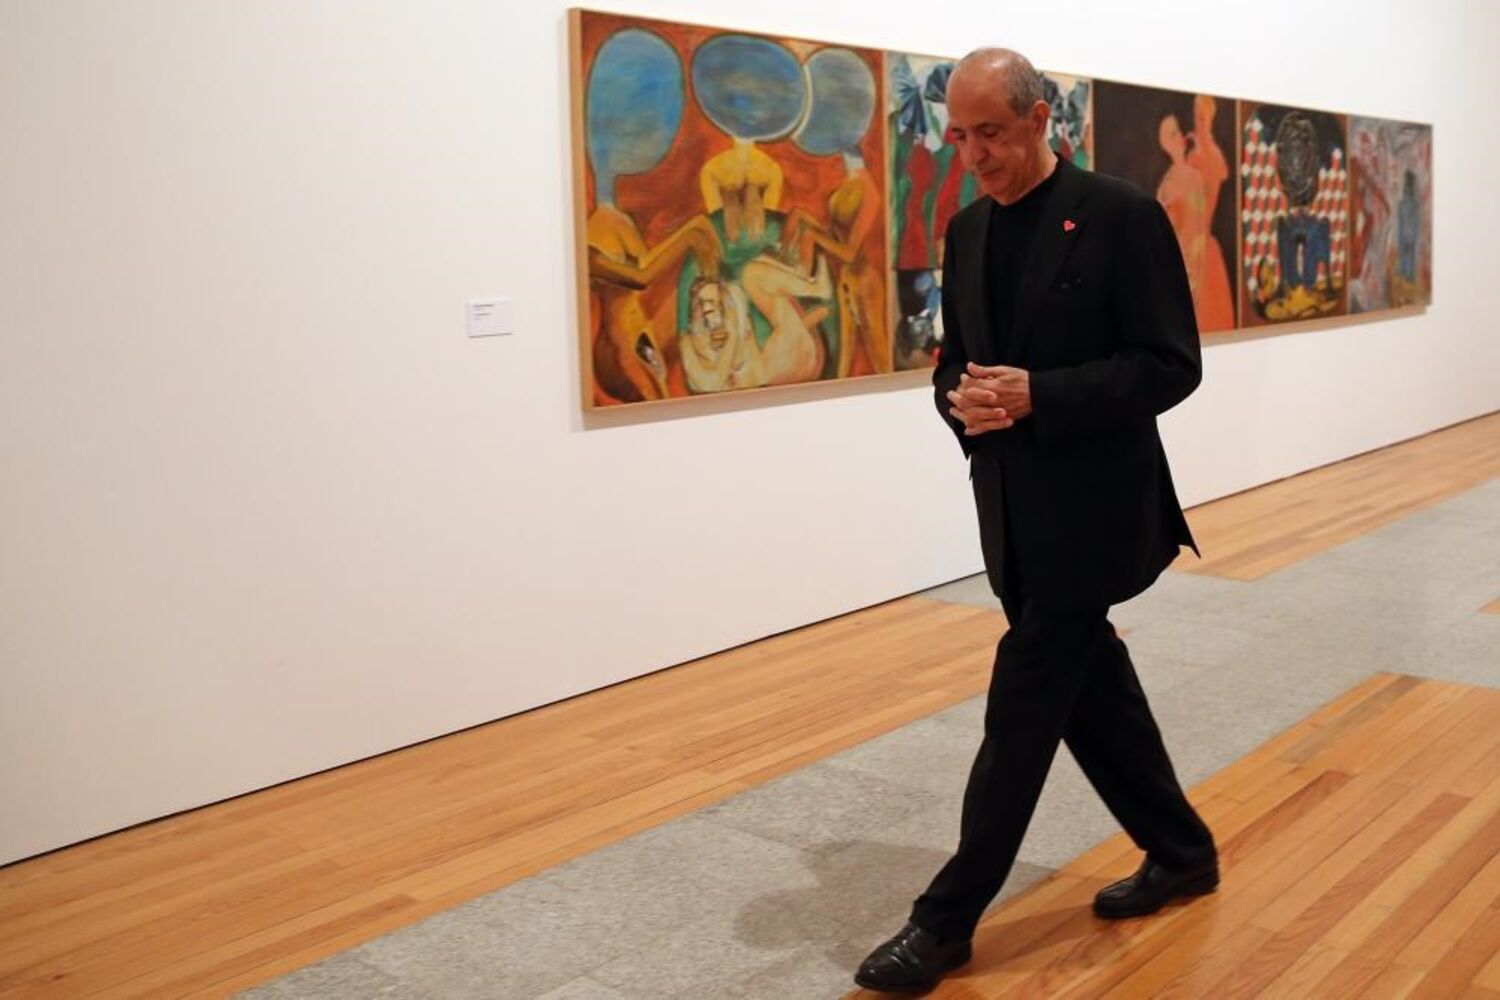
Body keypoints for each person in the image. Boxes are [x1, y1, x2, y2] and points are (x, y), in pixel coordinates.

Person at [855, 48, 1219, 994]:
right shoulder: (969, 227)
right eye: (960, 135)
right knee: (1090, 687)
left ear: (1038, 119)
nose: (975, 154)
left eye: (992, 133)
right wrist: (960, 401)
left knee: (1022, 706)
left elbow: (1171, 364)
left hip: (1095, 510)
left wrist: (1039, 396)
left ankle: (944, 922)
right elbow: (956, 361)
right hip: (1011, 508)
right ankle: (1182, 852)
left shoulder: (1121, 215)